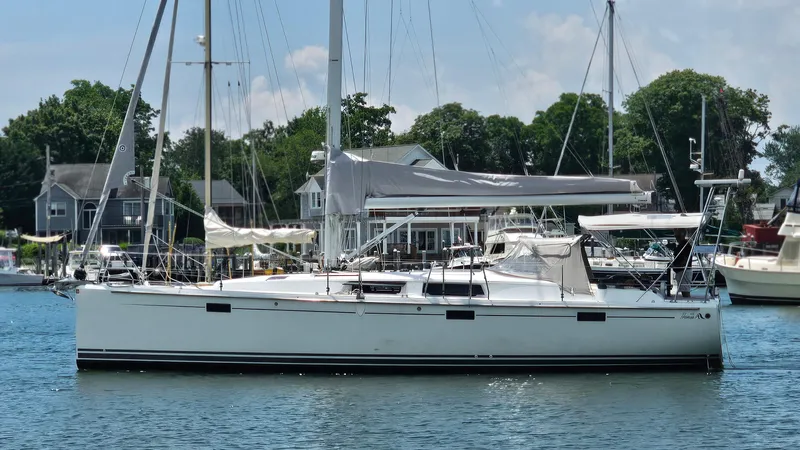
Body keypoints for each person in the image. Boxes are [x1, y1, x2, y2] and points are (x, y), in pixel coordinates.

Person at [667, 229, 693, 298]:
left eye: (677, 236)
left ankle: (688, 302)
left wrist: (677, 265)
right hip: (681, 271)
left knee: (685, 291)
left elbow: (686, 259)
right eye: (676, 236)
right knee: (683, 290)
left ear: (682, 235)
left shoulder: (686, 246)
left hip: (684, 271)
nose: (676, 238)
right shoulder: (681, 245)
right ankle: (687, 300)